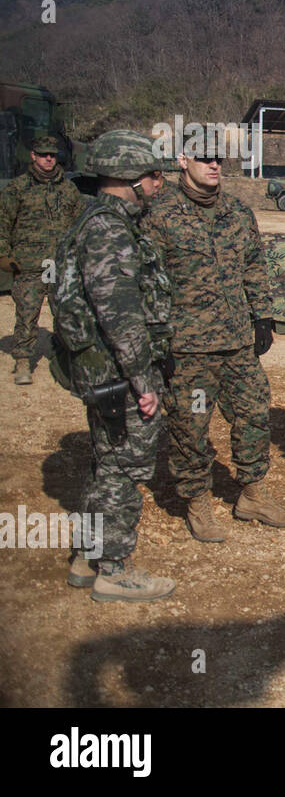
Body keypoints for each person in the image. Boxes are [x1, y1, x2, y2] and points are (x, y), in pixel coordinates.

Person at [144, 146, 285, 541]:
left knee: (253, 415)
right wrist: (157, 342)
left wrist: (262, 314)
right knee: (190, 426)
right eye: (204, 158)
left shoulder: (237, 212)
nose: (215, 165)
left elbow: (253, 264)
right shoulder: (159, 215)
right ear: (183, 161)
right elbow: (148, 284)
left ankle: (252, 494)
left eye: (220, 159)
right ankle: (197, 501)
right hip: (188, 351)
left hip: (236, 345)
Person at [53, 131, 175, 601]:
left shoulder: (94, 219)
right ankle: (114, 568)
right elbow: (120, 314)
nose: (159, 184)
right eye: (153, 176)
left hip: (102, 371)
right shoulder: (109, 229)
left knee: (105, 460)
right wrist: (143, 380)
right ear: (131, 179)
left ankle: (87, 556)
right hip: (119, 374)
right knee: (125, 467)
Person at [0, 135, 84, 385]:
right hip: (29, 263)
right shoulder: (17, 188)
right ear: (33, 156)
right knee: (27, 313)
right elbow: (3, 222)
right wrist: (4, 255)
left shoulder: (68, 188)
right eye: (43, 154)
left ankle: (68, 361)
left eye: (53, 155)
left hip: (61, 264)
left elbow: (80, 222)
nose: (49, 159)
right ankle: (23, 359)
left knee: (66, 313)